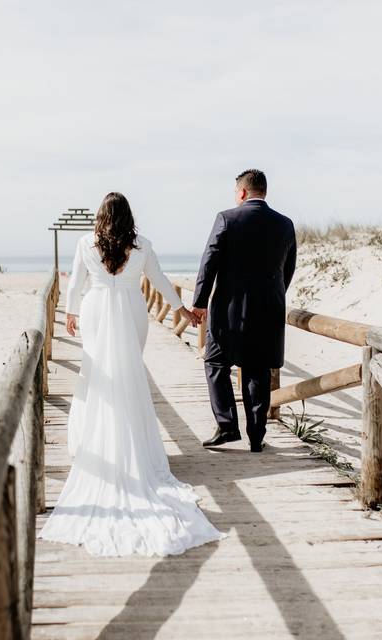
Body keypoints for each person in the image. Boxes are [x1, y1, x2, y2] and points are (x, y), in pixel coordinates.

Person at [38, 192, 226, 556]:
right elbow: (158, 280)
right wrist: (182, 310)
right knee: (128, 371)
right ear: (128, 217)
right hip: (131, 311)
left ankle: (95, 442)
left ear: (100, 217)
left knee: (96, 374)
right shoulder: (142, 245)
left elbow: (75, 284)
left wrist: (71, 313)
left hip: (95, 309)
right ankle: (132, 444)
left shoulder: (84, 243)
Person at [192, 169, 297, 453]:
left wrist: (200, 303)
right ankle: (256, 436)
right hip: (269, 310)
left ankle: (227, 426)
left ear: (241, 192)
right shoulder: (285, 224)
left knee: (216, 364)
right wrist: (273, 296)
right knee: (258, 370)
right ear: (264, 192)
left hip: (228, 311)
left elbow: (209, 262)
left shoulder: (227, 218)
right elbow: (288, 268)